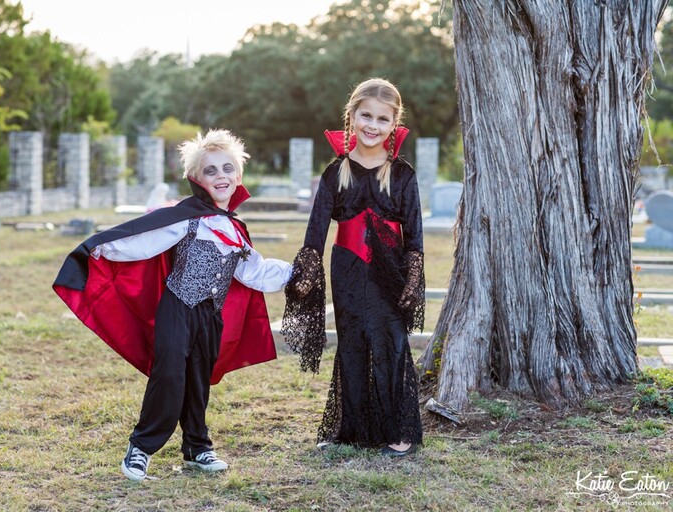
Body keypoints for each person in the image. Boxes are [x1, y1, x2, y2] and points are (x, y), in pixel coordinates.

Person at [53, 129, 293, 480]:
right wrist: (101, 248)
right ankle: (141, 447)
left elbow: (255, 272)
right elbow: (144, 240)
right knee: (169, 373)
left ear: (238, 176)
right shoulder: (188, 217)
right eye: (210, 171)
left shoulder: (236, 230)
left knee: (199, 379)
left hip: (210, 316)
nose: (220, 176)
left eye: (227, 169)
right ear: (197, 178)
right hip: (177, 307)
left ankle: (198, 447)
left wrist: (295, 271)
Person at [282, 78, 425, 456]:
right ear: (352, 116)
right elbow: (315, 232)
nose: (372, 125)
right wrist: (306, 273)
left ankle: (398, 430)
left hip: (389, 271)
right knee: (352, 342)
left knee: (390, 342)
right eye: (366, 116)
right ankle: (352, 428)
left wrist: (412, 278)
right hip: (346, 268)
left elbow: (415, 236)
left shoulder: (402, 174)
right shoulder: (335, 173)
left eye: (382, 119)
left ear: (394, 123)